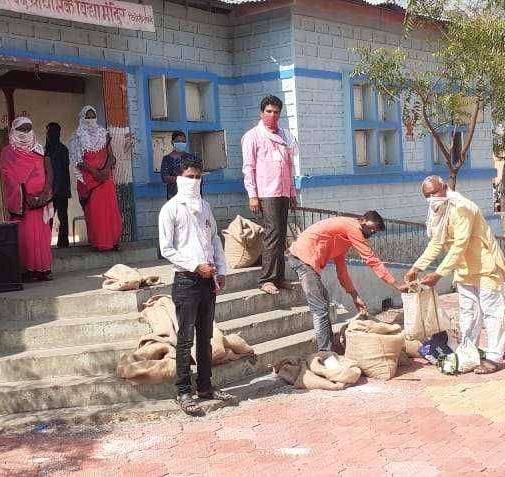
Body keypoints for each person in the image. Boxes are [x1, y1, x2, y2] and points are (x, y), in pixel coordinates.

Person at [405, 176, 505, 374]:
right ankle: (470, 354)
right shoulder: (441, 211)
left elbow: (460, 244)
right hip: (464, 271)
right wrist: (416, 267)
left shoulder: (463, 207)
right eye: (427, 195)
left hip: (486, 267)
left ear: (445, 187)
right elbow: (437, 243)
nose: (432, 198)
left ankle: (494, 358)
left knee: (492, 313)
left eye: (434, 192)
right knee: (468, 314)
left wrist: (439, 274)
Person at [159, 158, 236, 416]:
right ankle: (183, 390)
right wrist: (194, 266)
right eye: (189, 176)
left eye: (197, 177)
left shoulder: (205, 206)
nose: (194, 181)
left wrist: (220, 270)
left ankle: (205, 386)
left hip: (207, 279)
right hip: (186, 280)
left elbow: (214, 240)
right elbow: (167, 248)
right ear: (179, 178)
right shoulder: (171, 209)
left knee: (206, 337)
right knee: (185, 338)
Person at [287, 211, 407, 352]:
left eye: (375, 231)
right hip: (302, 259)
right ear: (362, 220)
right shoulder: (353, 227)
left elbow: (342, 272)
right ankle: (325, 352)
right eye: (371, 228)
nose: (372, 232)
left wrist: (354, 295)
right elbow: (372, 260)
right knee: (320, 309)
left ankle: (329, 346)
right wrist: (397, 285)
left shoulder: (343, 238)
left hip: (304, 260)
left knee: (323, 304)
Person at [242, 95, 297, 296]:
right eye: (269, 111)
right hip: (267, 192)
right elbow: (248, 167)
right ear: (261, 112)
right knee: (272, 234)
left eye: (276, 112)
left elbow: (289, 165)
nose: (272, 115)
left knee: (281, 235)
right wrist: (252, 195)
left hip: (283, 190)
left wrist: (292, 191)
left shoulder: (284, 136)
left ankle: (279, 277)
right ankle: (266, 279)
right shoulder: (253, 136)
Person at [0, 116, 54, 282]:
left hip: (41, 202)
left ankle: (42, 270)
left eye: (27, 128)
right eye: (21, 129)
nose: (24, 132)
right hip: (23, 204)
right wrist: (26, 196)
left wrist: (45, 194)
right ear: (14, 130)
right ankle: (26, 271)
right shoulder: (8, 152)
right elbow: (8, 176)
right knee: (25, 238)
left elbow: (48, 171)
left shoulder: (39, 149)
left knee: (42, 238)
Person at [70, 105, 122, 251]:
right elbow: (77, 160)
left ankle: (113, 241)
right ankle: (100, 243)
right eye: (88, 116)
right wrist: (94, 172)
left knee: (110, 210)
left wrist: (105, 170)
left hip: (105, 178)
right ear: (82, 118)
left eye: (93, 116)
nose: (91, 119)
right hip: (89, 178)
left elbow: (111, 155)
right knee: (95, 212)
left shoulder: (103, 134)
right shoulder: (77, 136)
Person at [45, 122, 72, 248]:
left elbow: (64, 171)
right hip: (49, 190)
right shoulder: (45, 150)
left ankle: (63, 242)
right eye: (49, 132)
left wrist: (61, 188)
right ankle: (45, 242)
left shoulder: (63, 150)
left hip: (61, 189)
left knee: (62, 216)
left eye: (53, 132)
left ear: (58, 134)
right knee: (48, 217)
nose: (50, 135)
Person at [160, 131, 195, 200]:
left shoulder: (190, 158)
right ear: (172, 142)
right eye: (178, 141)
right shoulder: (167, 159)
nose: (181, 143)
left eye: (183, 141)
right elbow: (164, 178)